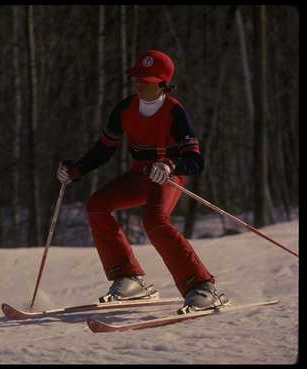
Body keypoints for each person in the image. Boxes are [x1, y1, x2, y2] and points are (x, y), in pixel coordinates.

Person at [57, 49, 229, 312]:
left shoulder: (175, 112)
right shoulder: (125, 109)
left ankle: (202, 287)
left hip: (168, 178)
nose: (138, 84)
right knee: (96, 205)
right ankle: (127, 279)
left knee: (153, 220)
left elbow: (196, 161)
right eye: (137, 78)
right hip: (140, 175)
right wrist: (76, 170)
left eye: (145, 80)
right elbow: (104, 149)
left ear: (162, 83)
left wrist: (171, 165)